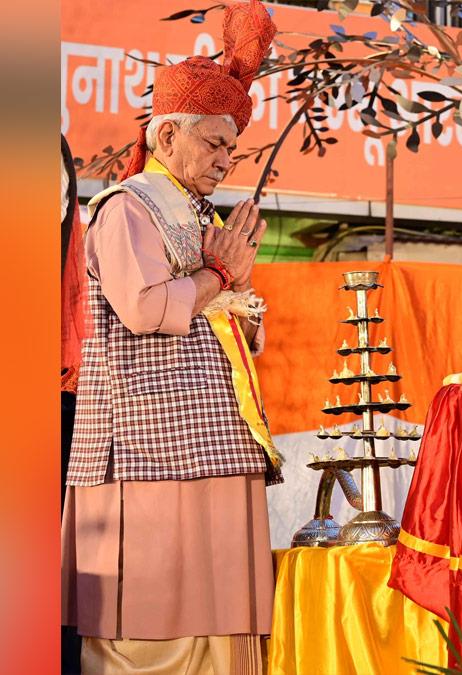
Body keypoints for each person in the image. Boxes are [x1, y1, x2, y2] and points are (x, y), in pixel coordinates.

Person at [61, 3, 282, 672]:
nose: (225, 161)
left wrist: (242, 306)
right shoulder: (128, 207)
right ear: (166, 136)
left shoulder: (191, 213)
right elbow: (146, 308)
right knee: (152, 628)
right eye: (215, 144)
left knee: (223, 618)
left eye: (231, 149)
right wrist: (221, 275)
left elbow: (223, 317)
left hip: (210, 444)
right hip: (146, 451)